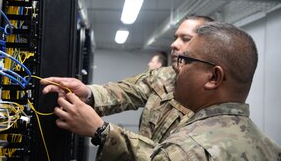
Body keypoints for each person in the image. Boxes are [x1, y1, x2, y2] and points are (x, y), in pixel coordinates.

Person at [40, 15, 214, 160]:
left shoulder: (215, 105)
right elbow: (126, 91)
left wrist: (102, 131)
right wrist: (88, 93)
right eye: (175, 37)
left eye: (185, 39)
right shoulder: (164, 76)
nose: (174, 44)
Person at [151, 21, 281, 160]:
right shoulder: (271, 149)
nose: (178, 68)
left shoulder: (181, 152)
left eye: (186, 61)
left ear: (214, 77)